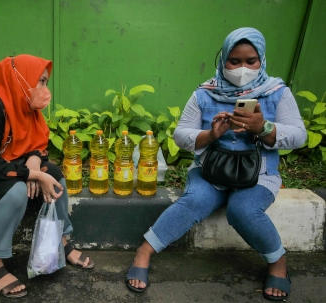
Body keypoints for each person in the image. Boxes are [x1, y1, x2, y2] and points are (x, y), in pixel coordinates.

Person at [125, 28, 306, 301]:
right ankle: (145, 251)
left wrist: (263, 127)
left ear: (262, 60)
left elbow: (298, 135)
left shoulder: (276, 92)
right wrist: (211, 135)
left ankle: (277, 262)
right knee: (195, 200)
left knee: (243, 210)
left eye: (250, 61)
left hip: (259, 174)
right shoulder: (205, 93)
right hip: (210, 171)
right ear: (223, 60)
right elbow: (181, 135)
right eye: (235, 61)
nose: (242, 68)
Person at [0, 54, 94, 298]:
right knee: (16, 191)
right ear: (21, 79)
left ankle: (61, 241)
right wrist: (32, 175)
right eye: (40, 82)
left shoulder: (25, 107)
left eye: (46, 82)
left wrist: (34, 159)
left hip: (5, 170)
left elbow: (36, 144)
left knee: (55, 177)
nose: (44, 89)